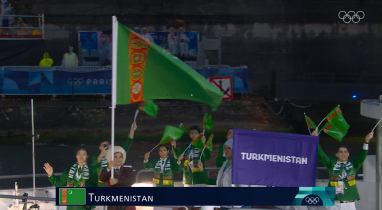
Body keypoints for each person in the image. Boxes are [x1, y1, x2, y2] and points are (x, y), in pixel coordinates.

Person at [312, 129, 374, 210]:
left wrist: (366, 141)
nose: (343, 154)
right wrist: (315, 140)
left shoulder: (353, 164)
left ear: (348, 154)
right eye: (340, 152)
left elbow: (362, 157)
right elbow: (322, 156)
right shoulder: (331, 163)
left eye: (345, 152)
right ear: (336, 154)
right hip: (333, 203)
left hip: (349, 204)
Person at [91, 122, 136, 210]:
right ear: (99, 147)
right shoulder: (96, 157)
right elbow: (92, 166)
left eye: (107, 145)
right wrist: (102, 155)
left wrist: (132, 130)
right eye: (103, 145)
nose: (105, 147)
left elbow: (127, 143)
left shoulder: (117, 154)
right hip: (101, 188)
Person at [99, 146, 135, 210]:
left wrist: (117, 181)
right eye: (115, 157)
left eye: (120, 157)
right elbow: (102, 178)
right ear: (111, 159)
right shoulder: (108, 171)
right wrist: (109, 168)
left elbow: (131, 180)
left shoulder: (128, 169)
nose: (118, 159)